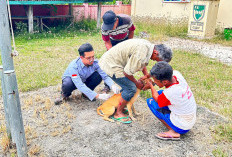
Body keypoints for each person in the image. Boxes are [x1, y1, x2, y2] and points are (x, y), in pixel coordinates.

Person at [99, 39, 172, 123]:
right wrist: (137, 84)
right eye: (157, 60)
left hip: (114, 60)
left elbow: (142, 63)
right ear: (156, 53)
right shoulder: (141, 53)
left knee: (128, 86)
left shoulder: (148, 47)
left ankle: (121, 106)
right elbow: (127, 73)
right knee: (131, 88)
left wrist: (146, 76)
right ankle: (118, 113)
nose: (156, 61)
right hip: (110, 64)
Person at [55, 43, 120, 105]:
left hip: (85, 80)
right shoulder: (74, 66)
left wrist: (112, 85)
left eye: (93, 56)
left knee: (98, 75)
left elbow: (105, 76)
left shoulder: (96, 63)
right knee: (67, 83)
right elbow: (79, 84)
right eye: (89, 58)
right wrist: (97, 95)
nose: (92, 59)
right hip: (73, 82)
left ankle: (86, 94)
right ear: (81, 57)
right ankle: (64, 95)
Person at [146, 61, 197, 140]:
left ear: (165, 82)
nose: (154, 82)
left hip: (183, 126)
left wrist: (151, 85)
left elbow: (156, 98)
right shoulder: (176, 74)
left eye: (155, 81)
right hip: (190, 118)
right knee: (160, 93)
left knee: (151, 102)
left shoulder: (170, 92)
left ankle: (173, 131)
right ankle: (174, 125)